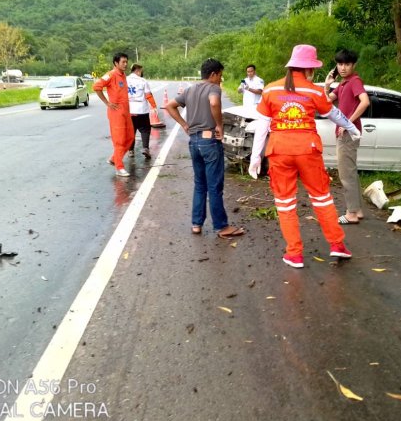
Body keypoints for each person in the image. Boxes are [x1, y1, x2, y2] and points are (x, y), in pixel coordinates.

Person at [248, 44, 361, 268]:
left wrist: (255, 157)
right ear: (309, 69)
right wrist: (352, 127)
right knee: (322, 198)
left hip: (280, 151)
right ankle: (337, 246)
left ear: (291, 66)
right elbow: (334, 114)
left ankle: (294, 254)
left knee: (285, 203)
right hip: (308, 150)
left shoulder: (270, 89)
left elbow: (262, 127)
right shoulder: (314, 91)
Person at [166, 58, 245, 239]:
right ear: (213, 74)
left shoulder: (190, 90)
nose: (220, 80)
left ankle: (196, 224)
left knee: (200, 184)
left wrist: (185, 125)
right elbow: (215, 103)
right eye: (220, 76)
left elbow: (170, 106)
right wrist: (219, 125)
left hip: (194, 142)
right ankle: (221, 226)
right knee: (214, 186)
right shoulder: (213, 88)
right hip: (209, 142)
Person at [324, 49, 370, 224]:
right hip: (346, 133)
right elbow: (327, 101)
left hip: (348, 134)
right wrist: (328, 85)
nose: (343, 68)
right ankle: (357, 210)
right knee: (350, 172)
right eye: (340, 64)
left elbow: (365, 102)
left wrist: (347, 123)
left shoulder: (354, 81)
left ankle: (351, 214)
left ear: (353, 65)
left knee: (345, 174)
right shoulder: (343, 84)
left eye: (347, 64)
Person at [94, 52, 134, 177]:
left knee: (130, 137)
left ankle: (114, 158)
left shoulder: (123, 75)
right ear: (116, 63)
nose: (125, 64)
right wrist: (107, 102)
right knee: (119, 140)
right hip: (116, 112)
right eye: (123, 62)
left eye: (126, 62)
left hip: (126, 111)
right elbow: (96, 86)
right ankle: (119, 167)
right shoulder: (111, 75)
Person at [126, 64, 158, 159]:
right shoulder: (143, 81)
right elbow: (148, 95)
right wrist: (154, 106)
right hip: (141, 110)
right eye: (141, 71)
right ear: (138, 70)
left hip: (129, 110)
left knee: (131, 131)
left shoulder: (124, 80)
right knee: (145, 130)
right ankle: (145, 149)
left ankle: (131, 151)